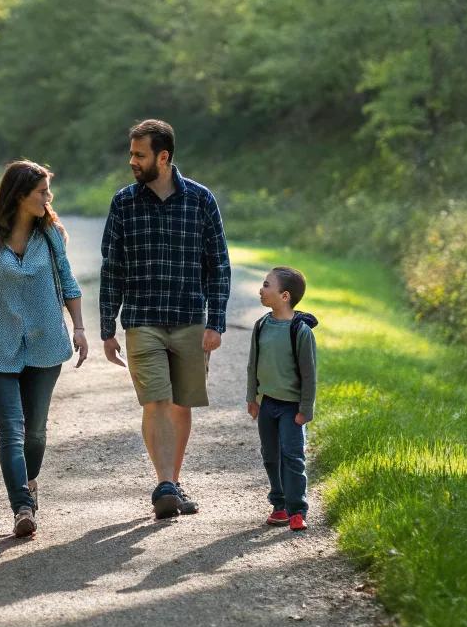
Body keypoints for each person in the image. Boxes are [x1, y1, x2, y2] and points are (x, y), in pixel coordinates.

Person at [0, 160, 88, 539]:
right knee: (11, 429)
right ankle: (22, 507)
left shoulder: (51, 235)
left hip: (46, 341)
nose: (48, 197)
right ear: (20, 195)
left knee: (36, 432)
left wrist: (78, 327)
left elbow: (68, 281)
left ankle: (29, 481)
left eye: (48, 191)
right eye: (41, 191)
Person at [100, 118, 231, 520]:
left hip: (190, 318)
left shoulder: (200, 200)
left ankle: (173, 480)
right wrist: (107, 326)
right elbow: (112, 267)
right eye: (131, 153)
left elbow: (218, 265)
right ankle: (164, 484)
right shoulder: (124, 203)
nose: (132, 161)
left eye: (140, 155)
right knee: (156, 399)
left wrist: (217, 322)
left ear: (164, 156)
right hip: (143, 320)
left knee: (181, 403)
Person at [246, 266, 318, 532]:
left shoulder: (301, 332)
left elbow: (310, 376)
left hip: (292, 408)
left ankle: (297, 509)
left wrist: (305, 410)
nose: (261, 289)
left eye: (266, 285)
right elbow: (253, 364)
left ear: (284, 296)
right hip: (267, 404)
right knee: (270, 455)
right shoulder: (261, 325)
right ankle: (279, 506)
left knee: (293, 456)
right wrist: (252, 397)